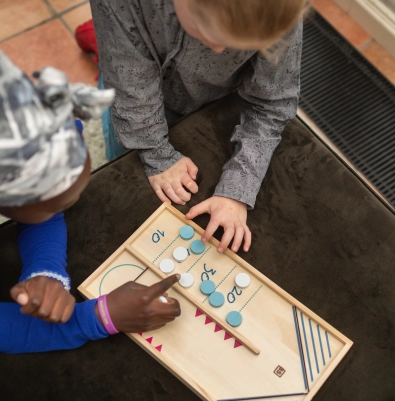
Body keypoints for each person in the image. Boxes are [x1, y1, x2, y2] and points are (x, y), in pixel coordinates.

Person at [0, 21, 181, 354]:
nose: (67, 207)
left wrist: (46, 268)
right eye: (54, 205)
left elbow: (38, 209)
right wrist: (100, 317)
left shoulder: (8, 108)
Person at [91, 0, 305, 255]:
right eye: (207, 32)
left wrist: (238, 187)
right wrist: (155, 154)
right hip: (132, 93)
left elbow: (272, 102)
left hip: (210, 99)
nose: (219, 48)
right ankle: (101, 40)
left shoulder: (280, 10)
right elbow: (130, 89)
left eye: (241, 46)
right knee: (119, 165)